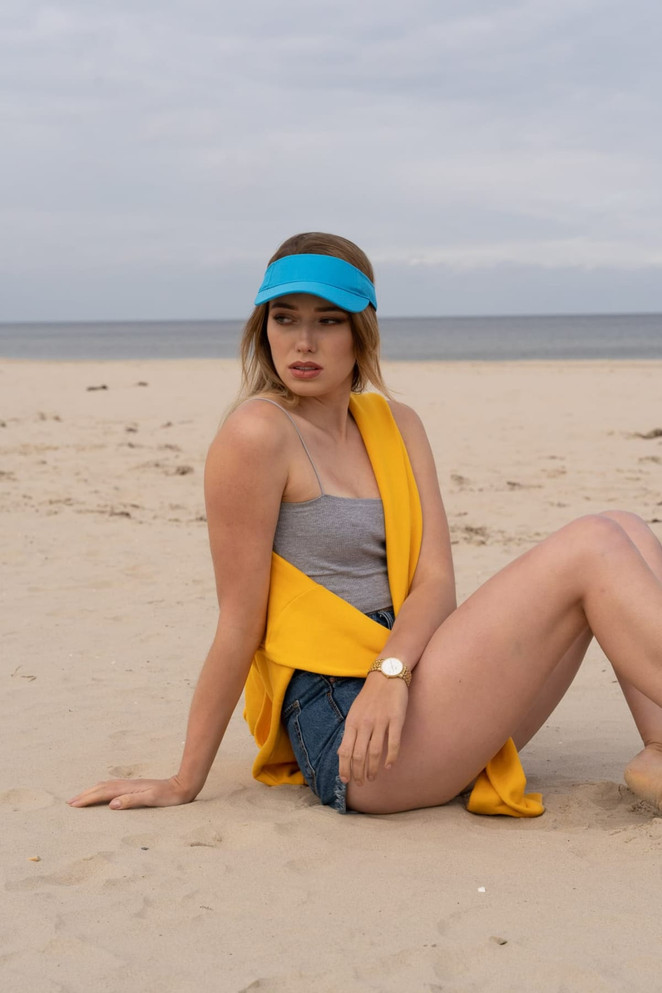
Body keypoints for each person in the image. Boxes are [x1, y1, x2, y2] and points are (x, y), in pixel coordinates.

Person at [69, 232, 662, 817]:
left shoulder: (396, 423)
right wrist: (183, 779)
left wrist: (392, 673)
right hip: (347, 728)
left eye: (329, 320)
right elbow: (238, 619)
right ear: (263, 328)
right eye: (284, 318)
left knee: (622, 525)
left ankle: (658, 751)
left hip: (412, 677)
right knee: (594, 545)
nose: (303, 341)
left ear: (362, 330)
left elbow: (435, 584)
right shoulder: (258, 434)